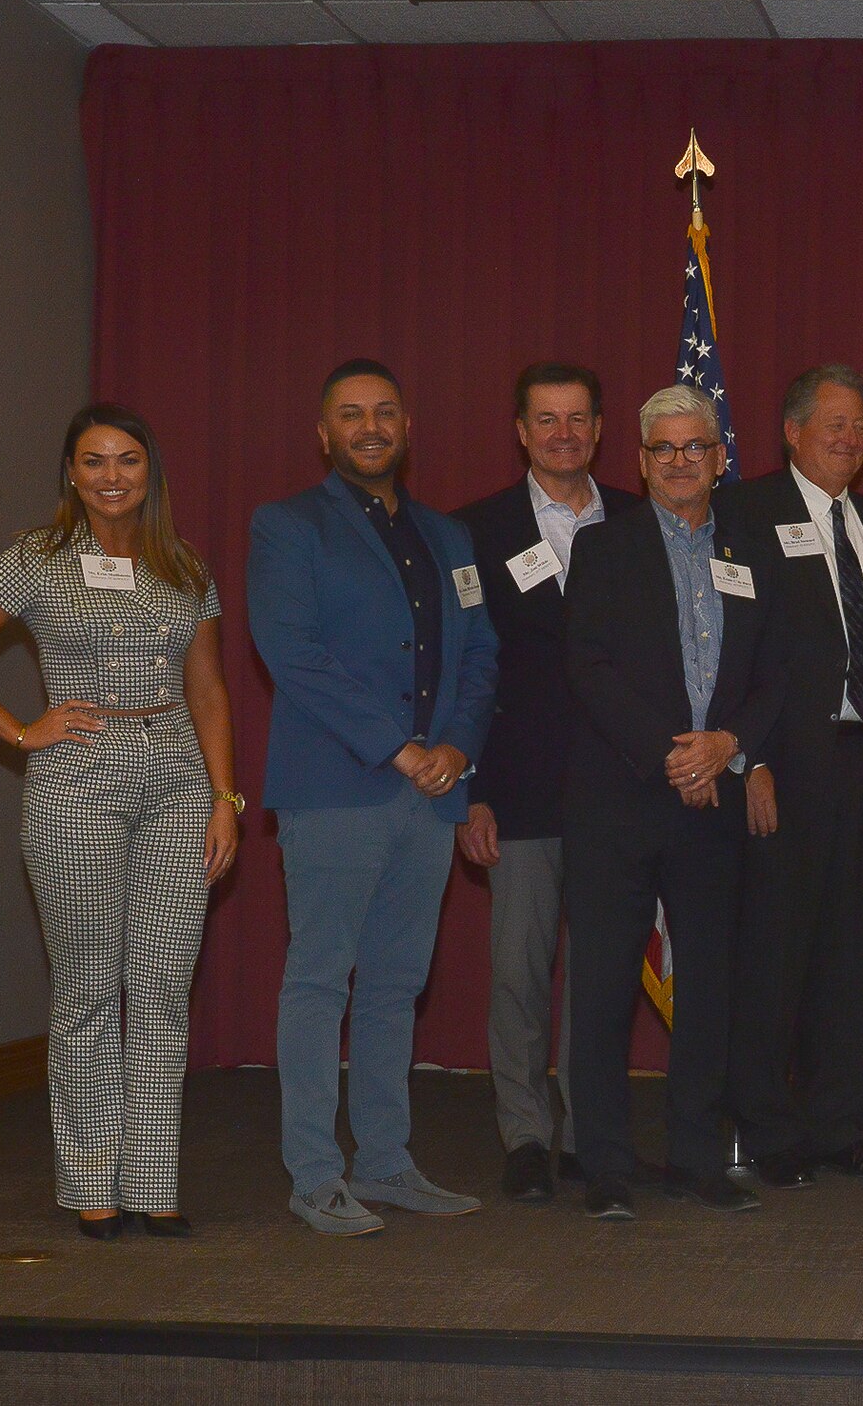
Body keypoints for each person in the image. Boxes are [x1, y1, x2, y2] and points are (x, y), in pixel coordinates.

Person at [0, 405, 238, 1240]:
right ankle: (94, 1178)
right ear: (70, 471)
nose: (110, 476)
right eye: (93, 460)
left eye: (127, 460)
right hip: (76, 777)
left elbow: (209, 689)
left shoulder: (186, 565)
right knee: (91, 984)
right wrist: (23, 731)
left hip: (176, 773)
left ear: (149, 472)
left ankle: (154, 1179)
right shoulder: (38, 557)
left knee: (164, 986)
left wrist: (225, 797)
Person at [248, 358, 498, 1237]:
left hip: (430, 795)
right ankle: (314, 1174)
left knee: (396, 986)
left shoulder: (448, 536)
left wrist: (457, 748)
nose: (369, 425)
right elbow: (292, 653)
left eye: (384, 411)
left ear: (406, 426)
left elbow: (479, 657)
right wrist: (400, 747)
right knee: (319, 981)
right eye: (350, 414)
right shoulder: (287, 527)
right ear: (324, 434)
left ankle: (387, 1164)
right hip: (336, 790)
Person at [565, 385, 788, 1219]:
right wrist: (675, 754)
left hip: (713, 801)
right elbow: (588, 670)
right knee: (605, 987)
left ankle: (697, 1155)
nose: (682, 461)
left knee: (709, 985)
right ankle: (608, 1165)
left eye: (697, 447)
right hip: (623, 800)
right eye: (665, 449)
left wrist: (726, 747)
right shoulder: (603, 548)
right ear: (642, 460)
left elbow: (777, 676)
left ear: (721, 457)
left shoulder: (751, 550)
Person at [454, 362, 640, 1203]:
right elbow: (465, 671)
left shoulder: (642, 522)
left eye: (578, 419)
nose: (564, 433)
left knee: (601, 973)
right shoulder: (477, 530)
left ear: (601, 430)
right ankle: (526, 1136)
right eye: (546, 420)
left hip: (619, 790)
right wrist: (472, 789)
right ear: (521, 432)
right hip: (519, 788)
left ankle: (590, 1131)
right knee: (520, 974)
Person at [722, 364, 863, 1187]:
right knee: (775, 954)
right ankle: (765, 1128)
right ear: (791, 431)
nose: (848, 437)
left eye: (860, 424)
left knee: (851, 957)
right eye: (833, 422)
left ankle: (837, 1125)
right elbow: (733, 646)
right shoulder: (748, 509)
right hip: (785, 764)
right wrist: (749, 757)